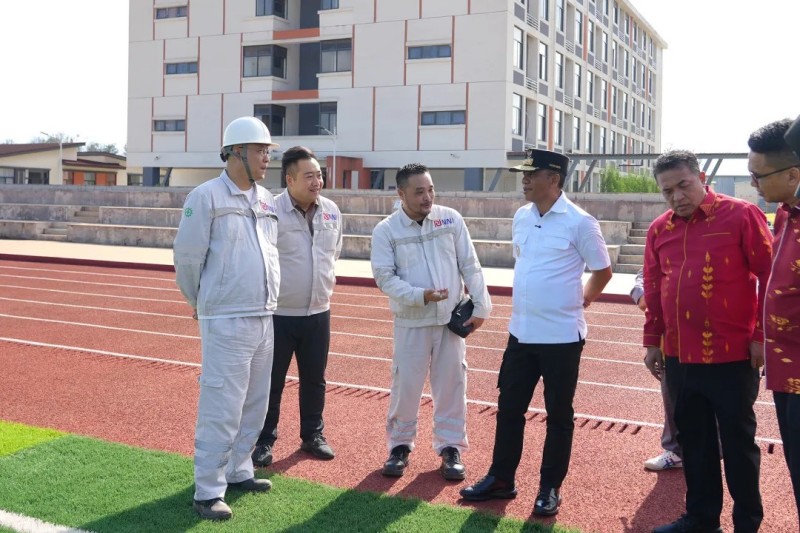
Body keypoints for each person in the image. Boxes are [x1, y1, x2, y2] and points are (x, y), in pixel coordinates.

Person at [460, 149, 612, 516]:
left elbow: (602, 270)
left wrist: (584, 299)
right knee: (509, 410)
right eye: (523, 174)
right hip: (521, 335)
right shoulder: (522, 217)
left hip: (561, 339)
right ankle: (501, 479)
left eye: (532, 174)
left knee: (558, 416)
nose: (524, 180)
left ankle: (549, 488)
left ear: (554, 179)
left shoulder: (580, 222)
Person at [643, 150, 772, 533]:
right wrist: (652, 341)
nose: (677, 196)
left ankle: (747, 523)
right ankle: (701, 520)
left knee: (738, 444)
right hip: (679, 357)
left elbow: (770, 278)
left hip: (733, 356)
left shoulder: (741, 215)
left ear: (701, 178)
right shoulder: (659, 229)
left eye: (683, 185)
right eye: (667, 191)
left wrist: (761, 336)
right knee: (695, 443)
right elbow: (654, 286)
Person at [173, 116, 281, 521]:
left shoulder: (266, 199)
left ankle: (239, 469)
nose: (267, 157)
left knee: (255, 402)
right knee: (222, 405)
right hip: (226, 318)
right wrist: (201, 300)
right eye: (260, 150)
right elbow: (187, 258)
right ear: (236, 152)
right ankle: (207, 490)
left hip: (263, 315)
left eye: (268, 151)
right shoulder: (205, 197)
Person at [370, 163, 492, 481]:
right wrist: (420, 296)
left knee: (453, 387)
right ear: (401, 194)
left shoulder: (450, 219)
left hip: (450, 322)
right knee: (405, 388)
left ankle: (451, 448)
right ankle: (399, 447)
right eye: (419, 192)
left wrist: (482, 304)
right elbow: (384, 278)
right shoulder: (386, 231)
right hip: (411, 322)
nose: (428, 197)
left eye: (431, 189)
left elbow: (470, 263)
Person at [251, 146, 342, 467]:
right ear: (289, 180)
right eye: (309, 176)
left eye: (319, 175)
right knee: (271, 381)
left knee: (315, 379)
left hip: (319, 311)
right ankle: (264, 439)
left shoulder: (332, 210)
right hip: (279, 314)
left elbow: (334, 253)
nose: (317, 182)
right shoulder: (270, 211)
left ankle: (312, 435)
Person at [748, 118, 800, 519]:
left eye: (759, 176)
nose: (754, 185)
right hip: (786, 374)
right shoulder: (786, 214)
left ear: (793, 174)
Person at [631, 268, 683, 472]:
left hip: (710, 333)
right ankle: (676, 450)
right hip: (669, 336)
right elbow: (644, 274)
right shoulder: (661, 246)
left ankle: (717, 448)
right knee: (671, 393)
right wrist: (641, 295)